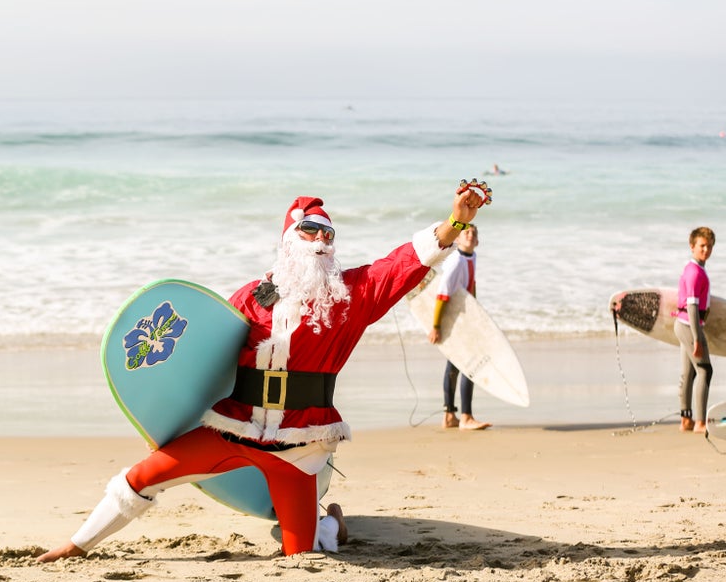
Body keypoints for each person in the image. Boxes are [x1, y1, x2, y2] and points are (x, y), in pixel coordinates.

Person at [38, 181, 491, 562]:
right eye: (310, 230)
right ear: (289, 239)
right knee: (139, 478)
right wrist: (165, 419)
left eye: (328, 234)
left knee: (301, 554)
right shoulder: (251, 297)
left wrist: (455, 222)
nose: (320, 240)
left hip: (299, 448)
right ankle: (76, 546)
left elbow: (405, 262)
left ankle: (330, 525)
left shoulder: (352, 296)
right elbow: (204, 358)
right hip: (233, 430)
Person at [426, 224, 491, 430]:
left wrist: (476, 314)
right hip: (453, 319)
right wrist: (436, 326)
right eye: (466, 232)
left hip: (463, 319)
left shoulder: (471, 257)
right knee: (469, 366)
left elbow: (471, 287)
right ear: (458, 239)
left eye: (474, 233)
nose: (470, 235)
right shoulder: (456, 261)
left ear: (477, 241)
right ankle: (466, 417)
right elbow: (442, 294)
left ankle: (449, 416)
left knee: (455, 366)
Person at [675, 227, 715, 433]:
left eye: (709, 246)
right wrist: (697, 337)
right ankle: (700, 422)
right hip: (689, 326)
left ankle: (686, 420)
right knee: (705, 370)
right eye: (702, 246)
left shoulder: (695, 269)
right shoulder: (694, 273)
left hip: (684, 325)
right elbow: (692, 307)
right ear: (692, 246)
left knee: (689, 372)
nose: (706, 250)